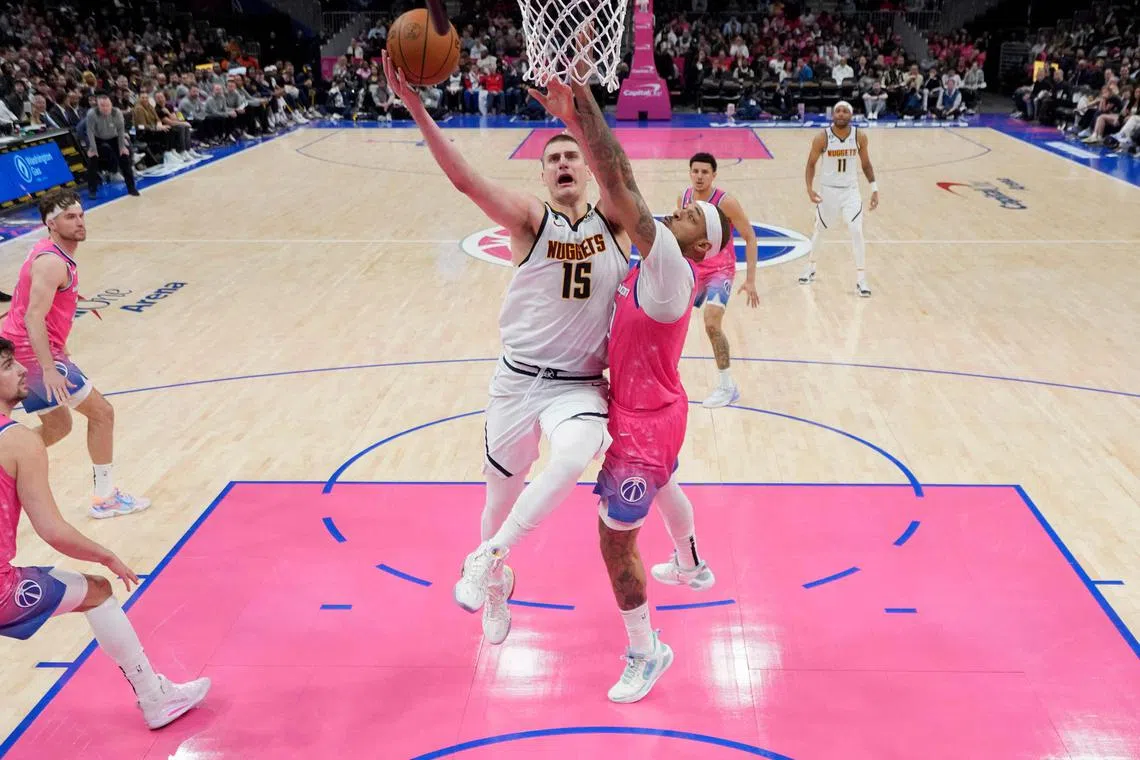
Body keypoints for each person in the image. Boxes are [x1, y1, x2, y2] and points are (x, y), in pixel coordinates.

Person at [382, 52, 631, 645]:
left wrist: (580, 115)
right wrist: (416, 106)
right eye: (554, 160)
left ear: (587, 170)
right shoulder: (529, 221)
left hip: (578, 385)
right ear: (543, 178)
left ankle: (485, 557)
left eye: (572, 155)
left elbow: (619, 174)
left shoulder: (615, 220)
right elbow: (465, 179)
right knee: (500, 497)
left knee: (573, 457)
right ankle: (497, 579)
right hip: (518, 382)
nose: (565, 163)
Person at [531, 78, 722, 704]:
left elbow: (618, 185)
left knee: (615, 540)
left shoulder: (669, 262)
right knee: (667, 486)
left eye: (693, 213)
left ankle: (647, 650)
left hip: (644, 425)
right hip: (656, 409)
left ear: (698, 245)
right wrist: (582, 113)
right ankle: (692, 563)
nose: (682, 205)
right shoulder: (665, 255)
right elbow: (628, 186)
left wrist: (583, 114)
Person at [0, 337, 210, 727]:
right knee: (97, 591)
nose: (20, 370)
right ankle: (154, 698)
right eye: (7, 365)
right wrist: (106, 554)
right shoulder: (19, 441)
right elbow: (52, 530)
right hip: (1, 589)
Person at [0, 190, 151, 518]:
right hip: (33, 355)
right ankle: (105, 497)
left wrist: (60, 346)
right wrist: (48, 367)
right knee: (102, 414)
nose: (80, 222)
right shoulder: (53, 262)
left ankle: (6, 461)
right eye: (70, 217)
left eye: (81, 215)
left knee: (58, 427)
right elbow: (32, 317)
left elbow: (38, 308)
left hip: (27, 349)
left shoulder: (52, 253)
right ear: (51, 224)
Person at [677, 152, 759, 407]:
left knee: (712, 323)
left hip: (720, 270)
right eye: (695, 171)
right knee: (670, 322)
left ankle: (727, 386)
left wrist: (751, 280)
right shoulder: (684, 198)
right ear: (690, 172)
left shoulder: (726, 202)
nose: (699, 176)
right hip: (693, 269)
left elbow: (750, 237)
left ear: (714, 175)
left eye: (705, 172)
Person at [799, 101, 879, 297]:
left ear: (851, 115)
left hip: (851, 191)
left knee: (856, 230)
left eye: (845, 111)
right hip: (828, 192)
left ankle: (861, 279)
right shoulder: (822, 137)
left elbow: (866, 164)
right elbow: (811, 164)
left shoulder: (859, 136)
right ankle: (810, 266)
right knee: (820, 229)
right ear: (833, 115)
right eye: (838, 111)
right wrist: (809, 189)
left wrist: (874, 188)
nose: (841, 114)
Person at [84, 94, 139, 198]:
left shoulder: (116, 112)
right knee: (92, 161)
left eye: (107, 105)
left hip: (114, 136)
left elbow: (121, 130)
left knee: (124, 158)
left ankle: (131, 188)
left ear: (111, 104)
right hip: (97, 137)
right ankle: (92, 190)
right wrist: (93, 149)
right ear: (98, 106)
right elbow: (90, 132)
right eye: (102, 105)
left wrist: (122, 146)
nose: (105, 108)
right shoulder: (92, 114)